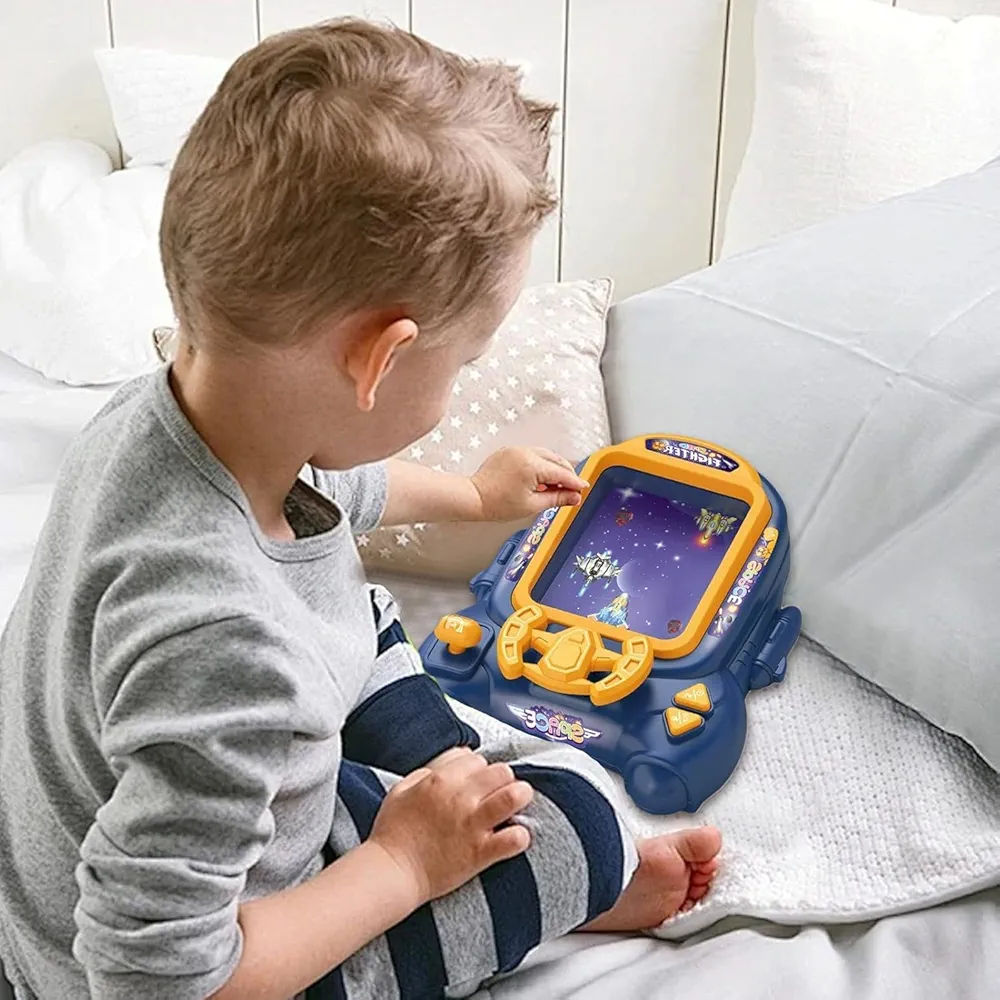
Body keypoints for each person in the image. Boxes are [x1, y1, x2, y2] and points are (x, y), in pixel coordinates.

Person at [0, 19, 721, 1000]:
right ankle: (533, 864)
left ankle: (450, 804)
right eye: (465, 361)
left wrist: (475, 495)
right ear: (381, 358)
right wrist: (403, 866)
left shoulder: (168, 416)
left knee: (346, 592)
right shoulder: (224, 642)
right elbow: (151, 981)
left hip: (109, 832)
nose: (460, 382)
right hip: (175, 962)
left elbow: (339, 492)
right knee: (586, 826)